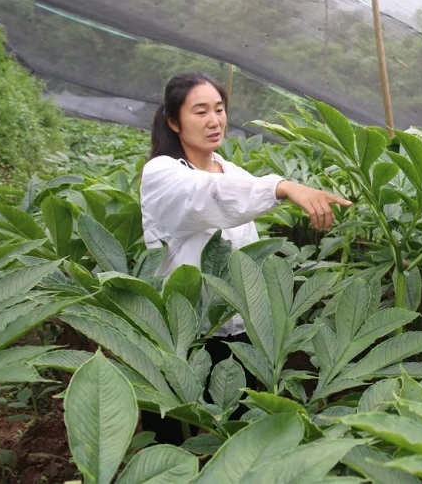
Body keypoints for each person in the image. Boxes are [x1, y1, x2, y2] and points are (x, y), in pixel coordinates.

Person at [139, 72, 351, 441]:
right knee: (181, 446)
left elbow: (239, 225)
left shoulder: (233, 171)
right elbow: (212, 195)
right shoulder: (162, 172)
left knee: (239, 440)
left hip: (240, 333)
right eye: (200, 111)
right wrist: (283, 186)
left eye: (219, 109)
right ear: (173, 121)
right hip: (183, 334)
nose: (213, 120)